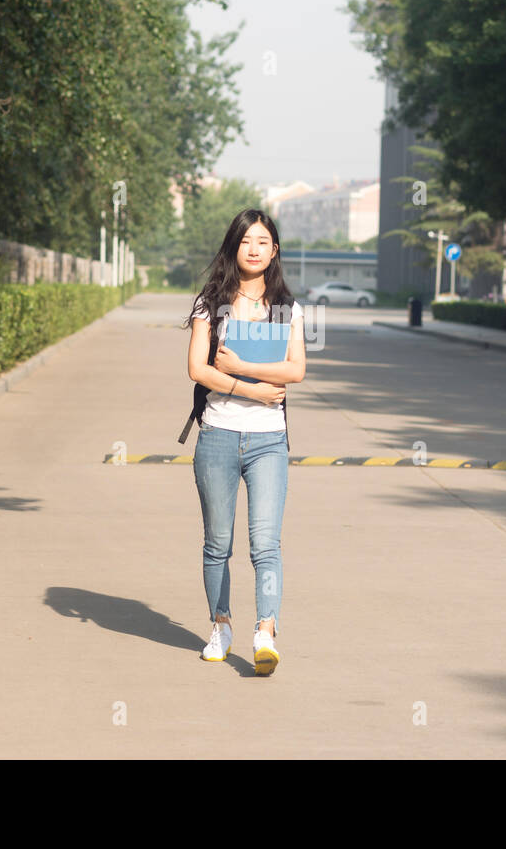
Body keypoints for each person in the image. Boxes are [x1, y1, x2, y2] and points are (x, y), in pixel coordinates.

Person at [182, 208, 306, 676]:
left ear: (274, 250)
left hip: (269, 441)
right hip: (217, 434)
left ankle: (265, 633)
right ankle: (221, 626)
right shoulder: (210, 303)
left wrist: (241, 368)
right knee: (217, 544)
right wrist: (250, 387)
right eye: (245, 241)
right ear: (234, 247)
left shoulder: (287, 309)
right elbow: (199, 368)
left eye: (263, 241)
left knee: (265, 545)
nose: (254, 249)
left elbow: (296, 370)